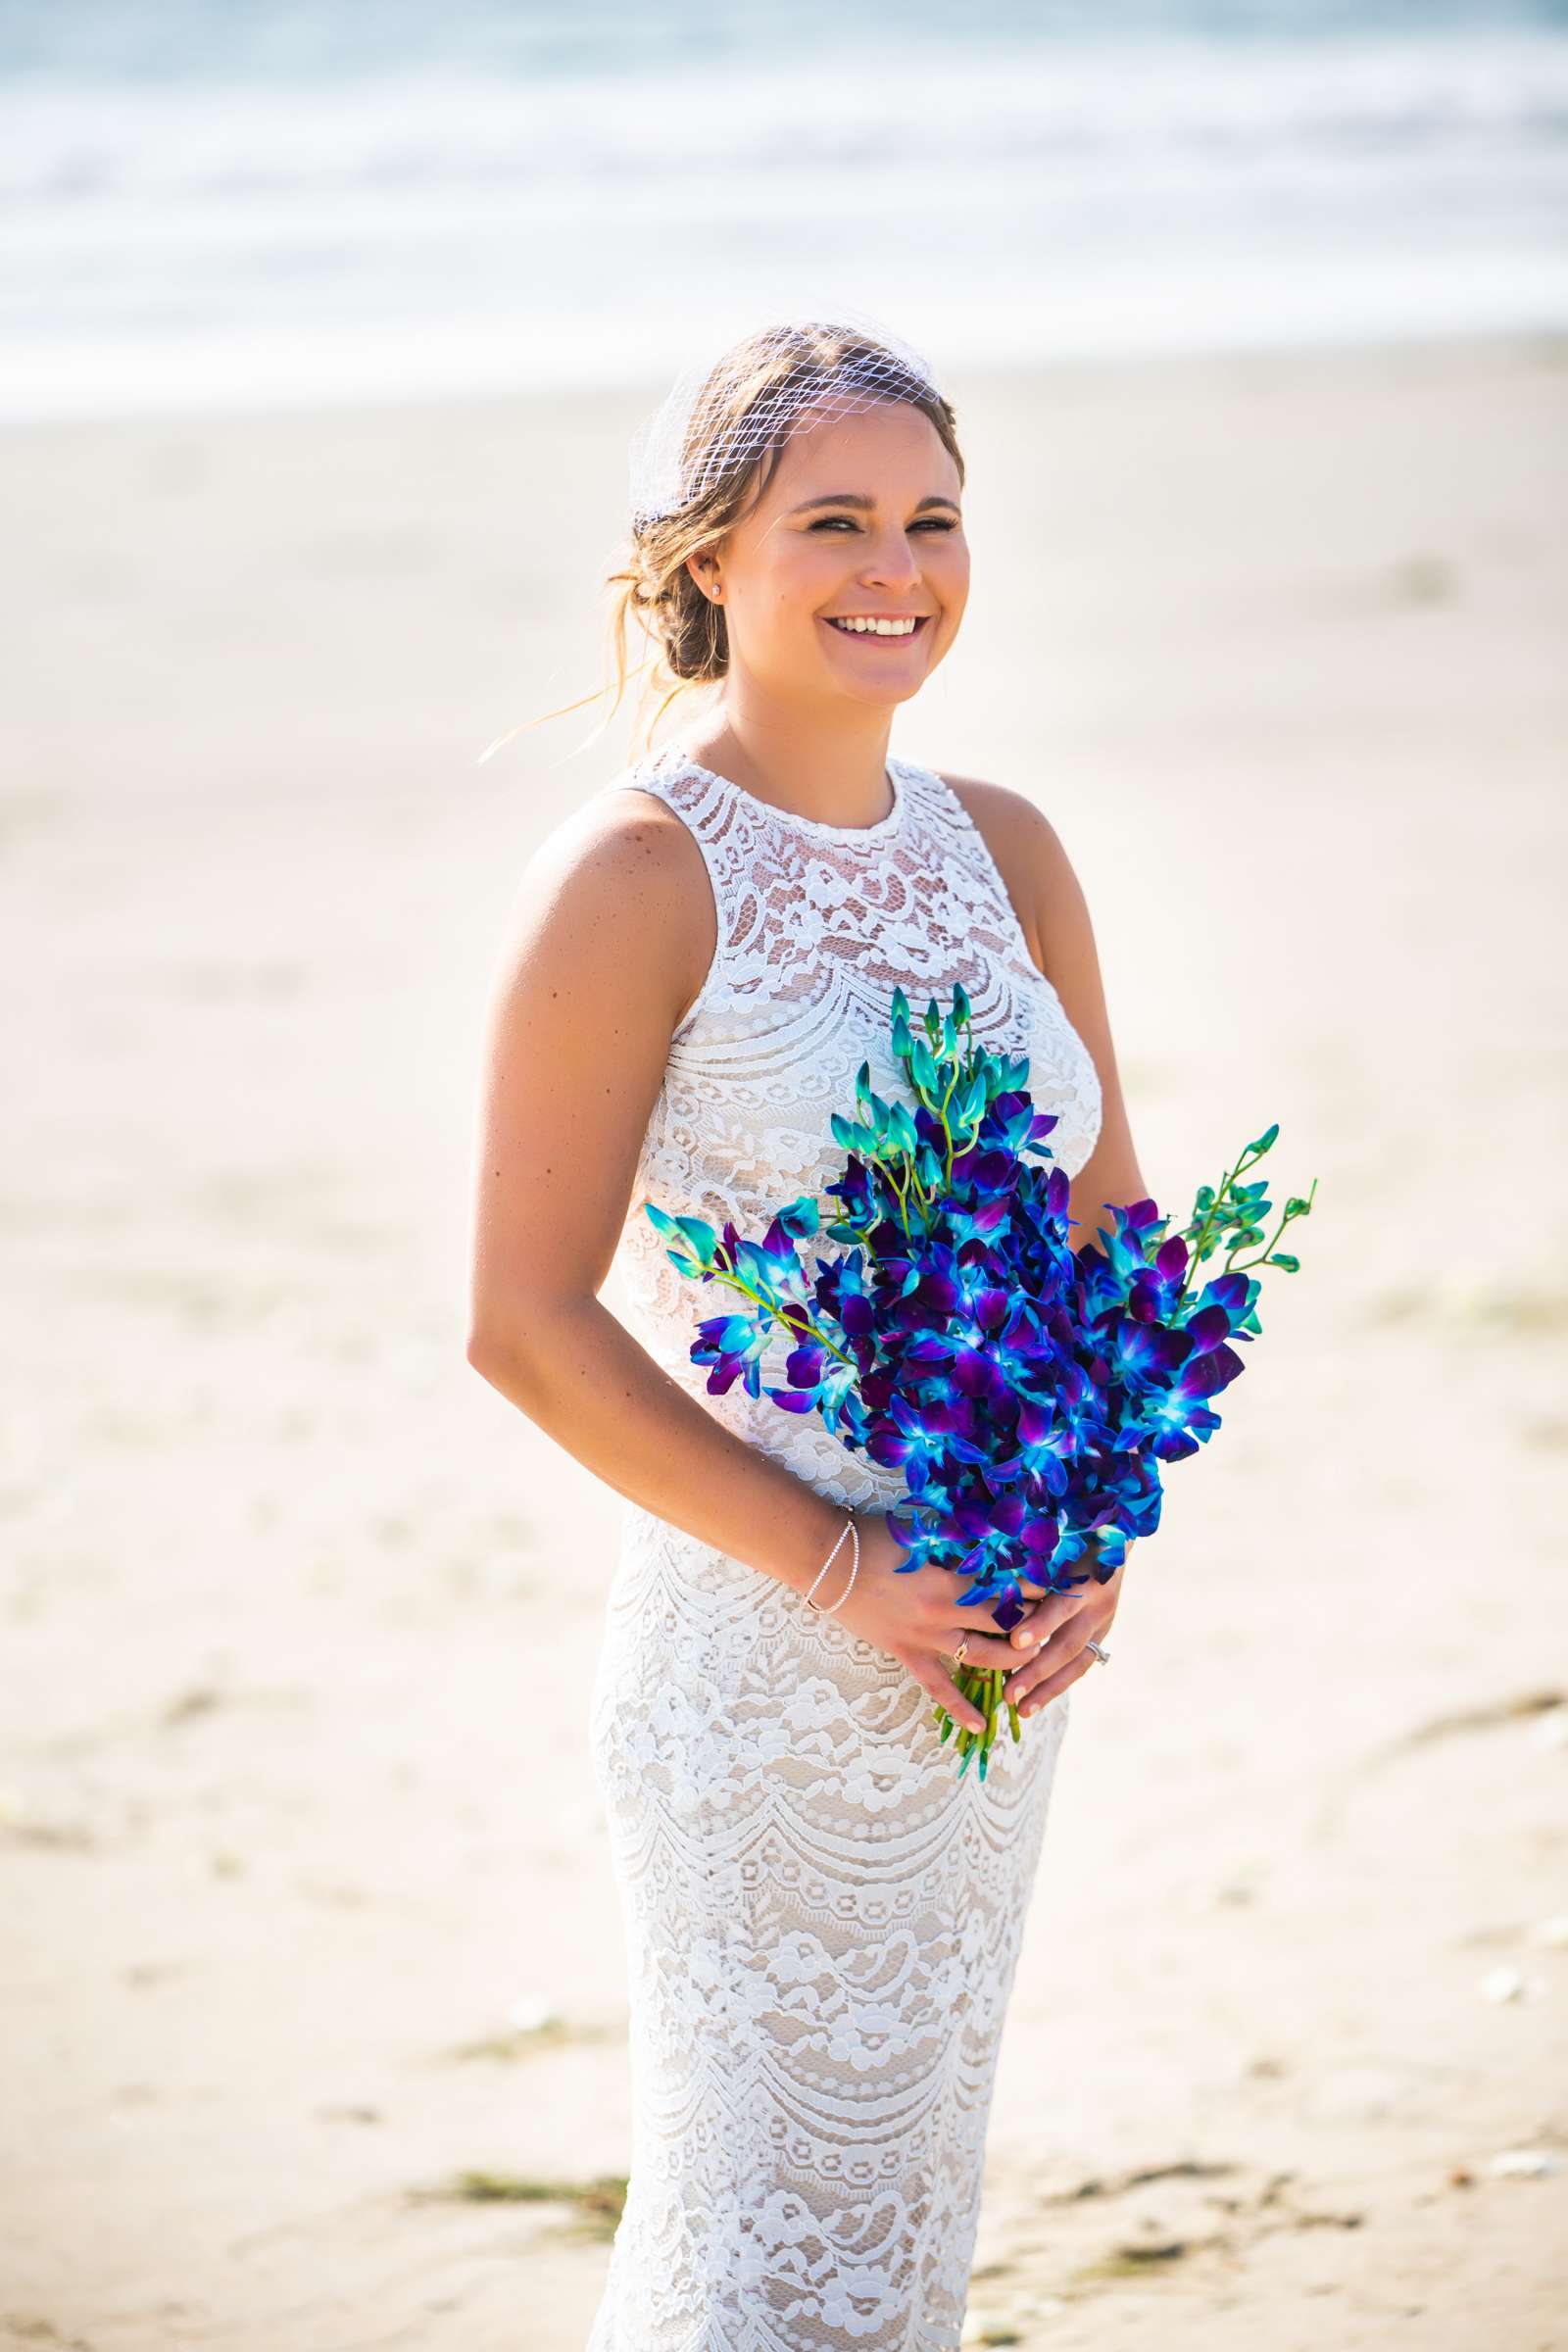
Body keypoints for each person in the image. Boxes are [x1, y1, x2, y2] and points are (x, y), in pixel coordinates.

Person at [465, 317, 1148, 2351]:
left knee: (904, 2220)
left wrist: (1089, 1530)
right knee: (750, 2238)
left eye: (932, 520)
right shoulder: (632, 878)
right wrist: (851, 1567)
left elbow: (1113, 1236)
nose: (896, 566)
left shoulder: (1006, 848)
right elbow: (520, 1324)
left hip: (987, 1664)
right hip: (764, 1661)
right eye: (832, 519)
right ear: (704, 566)